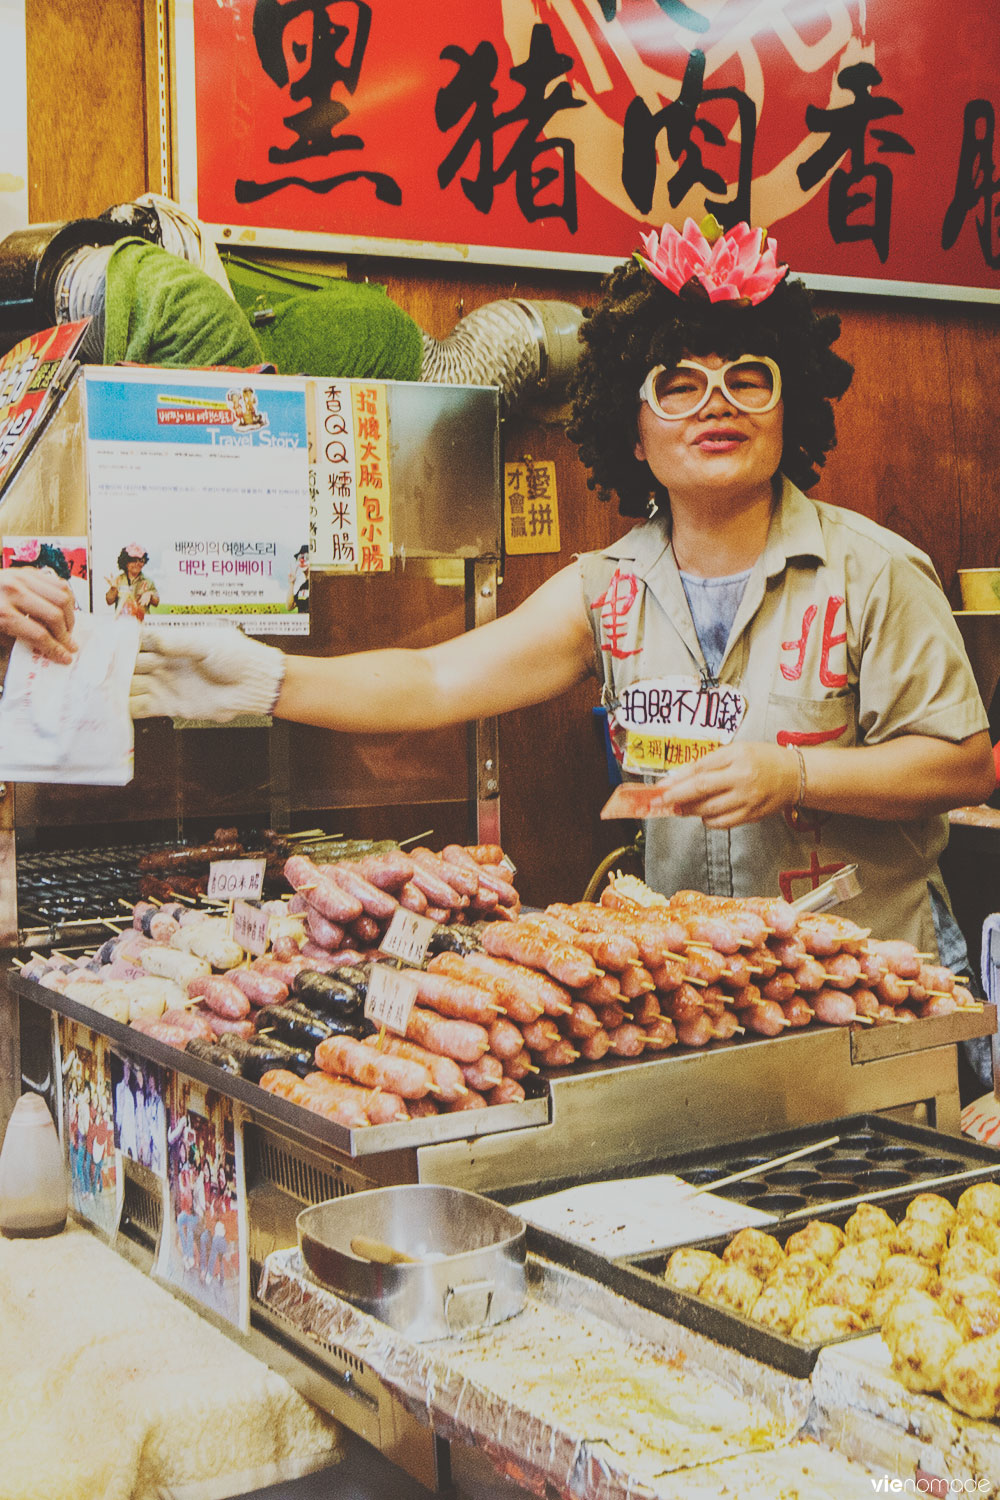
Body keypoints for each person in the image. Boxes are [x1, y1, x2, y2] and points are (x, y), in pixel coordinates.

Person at [128, 217, 995, 1000]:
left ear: (787, 408)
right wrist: (266, 678)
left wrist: (798, 775)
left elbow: (964, 766)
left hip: (880, 988)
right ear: (633, 430)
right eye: (679, 384)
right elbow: (434, 680)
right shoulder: (605, 587)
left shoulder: (874, 571)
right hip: (705, 1000)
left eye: (748, 378)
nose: (716, 403)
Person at [105, 543, 160, 621]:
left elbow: (156, 602)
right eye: (133, 560)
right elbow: (109, 601)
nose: (137, 564)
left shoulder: (148, 581)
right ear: (125, 562)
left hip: (141, 624)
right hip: (122, 623)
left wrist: (150, 595)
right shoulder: (118, 579)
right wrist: (113, 588)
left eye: (141, 561)